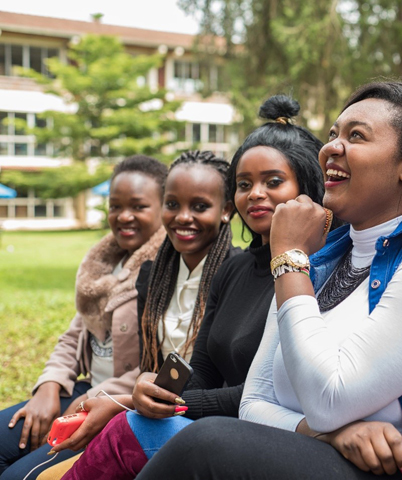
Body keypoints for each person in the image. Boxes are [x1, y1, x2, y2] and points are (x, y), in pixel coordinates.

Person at [135, 81, 402, 480]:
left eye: (356, 136)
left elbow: (330, 398)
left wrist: (289, 258)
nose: (331, 148)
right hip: (321, 453)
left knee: (206, 445)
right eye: (332, 135)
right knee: (150, 430)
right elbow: (254, 402)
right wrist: (331, 435)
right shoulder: (323, 255)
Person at [55, 95, 327, 480]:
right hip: (209, 423)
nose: (255, 194)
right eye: (244, 183)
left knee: (131, 429)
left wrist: (157, 405)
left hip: (270, 434)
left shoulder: (310, 270)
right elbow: (200, 370)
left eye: (274, 182)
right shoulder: (232, 270)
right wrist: (153, 389)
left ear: (309, 186)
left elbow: (262, 391)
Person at [31, 150, 235, 477]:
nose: (183, 217)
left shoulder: (232, 276)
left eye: (199, 206)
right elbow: (145, 363)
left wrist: (120, 401)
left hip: (182, 424)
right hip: (139, 411)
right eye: (173, 204)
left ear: (226, 210)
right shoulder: (152, 275)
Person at [0, 155, 168, 480]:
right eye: (115, 206)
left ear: (164, 208)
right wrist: (49, 386)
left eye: (138, 206)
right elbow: (73, 334)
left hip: (114, 404)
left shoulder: (163, 274)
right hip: (82, 389)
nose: (124, 216)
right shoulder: (104, 265)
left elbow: (155, 366)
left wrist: (86, 403)